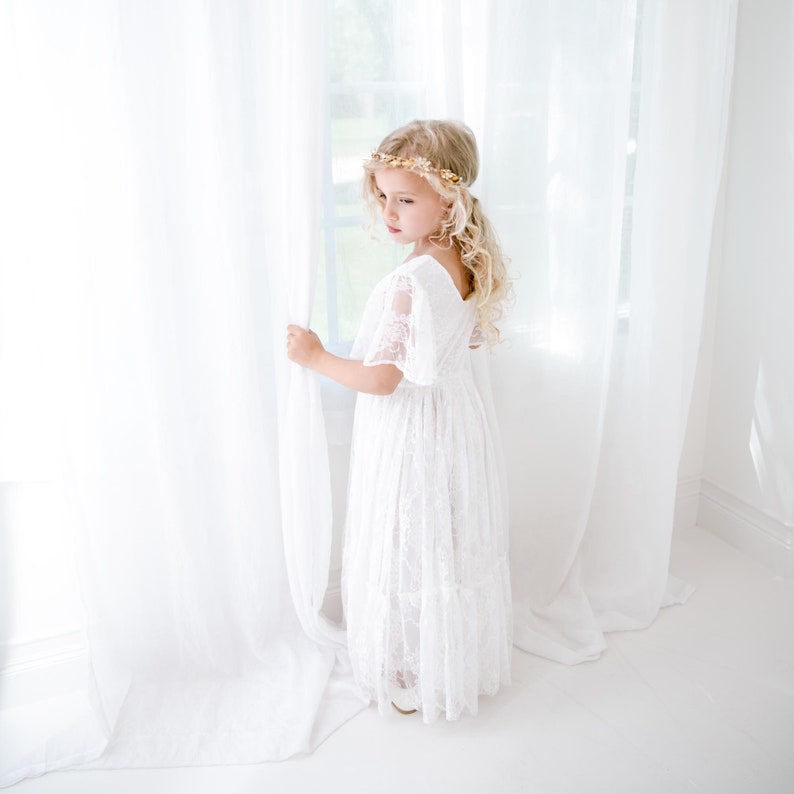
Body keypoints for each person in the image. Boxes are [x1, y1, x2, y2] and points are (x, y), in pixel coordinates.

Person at [287, 119, 512, 722]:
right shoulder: (459, 259)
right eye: (382, 195)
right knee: (442, 541)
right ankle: (441, 655)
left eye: (405, 199)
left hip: (413, 431)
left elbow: (383, 378)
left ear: (451, 200)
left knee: (408, 539)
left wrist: (316, 357)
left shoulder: (410, 281)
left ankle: (412, 667)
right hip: (453, 423)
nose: (388, 211)